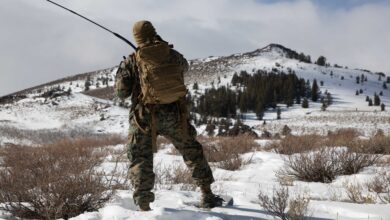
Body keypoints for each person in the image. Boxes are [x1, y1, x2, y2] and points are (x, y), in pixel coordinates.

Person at [115, 20, 223, 211]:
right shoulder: (172, 55)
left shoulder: (132, 60)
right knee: (191, 150)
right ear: (155, 33)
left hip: (144, 119)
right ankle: (207, 194)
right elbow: (185, 67)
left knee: (140, 158)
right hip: (175, 115)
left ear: (136, 38)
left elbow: (121, 93)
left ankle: (144, 206)